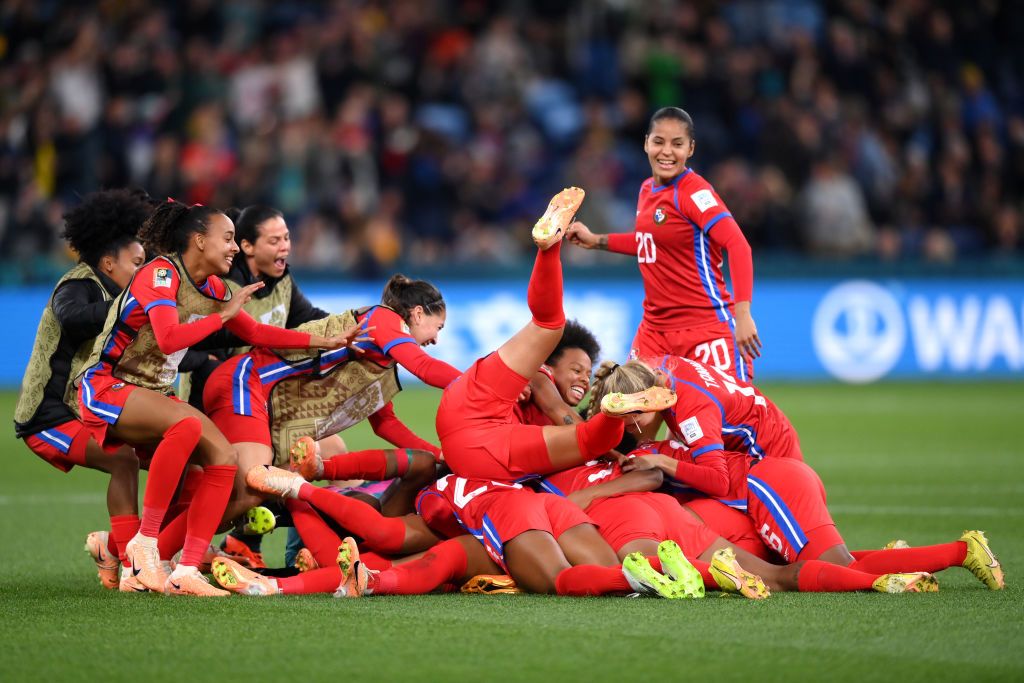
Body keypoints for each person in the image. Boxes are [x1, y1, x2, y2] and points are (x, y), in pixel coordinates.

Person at [75, 199, 357, 596]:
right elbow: (169, 337)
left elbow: (257, 334)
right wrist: (222, 315)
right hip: (108, 386)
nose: (233, 247)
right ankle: (144, 546)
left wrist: (323, 340)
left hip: (151, 392)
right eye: (227, 238)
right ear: (198, 240)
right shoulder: (159, 274)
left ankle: (186, 569)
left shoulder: (214, 288)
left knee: (224, 462)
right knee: (186, 424)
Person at [588, 356, 1005, 591]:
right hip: (771, 469)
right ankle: (902, 560)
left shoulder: (693, 412)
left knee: (833, 570)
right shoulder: (667, 371)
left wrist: (662, 462)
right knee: (826, 562)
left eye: (631, 422)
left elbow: (715, 478)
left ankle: (957, 552)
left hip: (770, 472)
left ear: (645, 404)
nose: (633, 433)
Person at [436, 187, 676, 486]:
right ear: (550, 366)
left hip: (464, 403)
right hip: (487, 449)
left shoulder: (528, 387)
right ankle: (615, 414)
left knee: (548, 324)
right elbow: (560, 412)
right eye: (575, 370)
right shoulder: (541, 379)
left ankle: (549, 248)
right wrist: (614, 455)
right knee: (589, 441)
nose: (583, 380)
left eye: (587, 374)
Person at [14, 189, 149, 591]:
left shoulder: (116, 292)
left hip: (87, 408)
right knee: (124, 460)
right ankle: (134, 563)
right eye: (137, 264)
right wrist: (131, 306)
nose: (143, 274)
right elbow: (74, 318)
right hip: (48, 415)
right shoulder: (76, 285)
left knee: (161, 454)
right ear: (108, 263)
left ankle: (130, 549)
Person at [566, 107, 760, 381]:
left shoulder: (694, 193)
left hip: (703, 330)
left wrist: (743, 314)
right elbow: (650, 243)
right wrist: (596, 240)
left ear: (690, 149)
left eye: (677, 144)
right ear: (646, 143)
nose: (666, 151)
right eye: (659, 141)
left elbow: (739, 245)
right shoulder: (647, 189)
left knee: (720, 419)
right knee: (630, 418)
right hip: (654, 332)